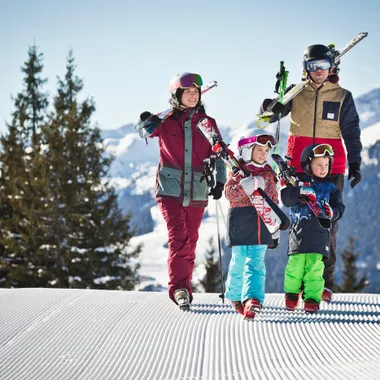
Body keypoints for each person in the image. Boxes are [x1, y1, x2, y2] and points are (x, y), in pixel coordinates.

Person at [260, 43, 362, 302]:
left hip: (331, 166)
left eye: (323, 66)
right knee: (300, 223)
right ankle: (298, 282)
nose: (318, 71)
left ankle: (323, 284)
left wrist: (356, 162)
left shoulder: (342, 96)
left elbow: (351, 131)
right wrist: (271, 103)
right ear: (305, 68)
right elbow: (268, 117)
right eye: (312, 66)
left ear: (332, 67)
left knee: (328, 224)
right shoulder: (296, 92)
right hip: (298, 167)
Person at [135, 72, 226, 310]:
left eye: (196, 92)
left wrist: (220, 182)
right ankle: (179, 289)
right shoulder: (165, 121)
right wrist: (146, 120)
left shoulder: (208, 123)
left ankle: (184, 286)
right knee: (179, 237)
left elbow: (219, 153)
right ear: (177, 95)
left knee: (191, 240)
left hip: (197, 188)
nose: (193, 96)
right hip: (170, 188)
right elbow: (144, 131)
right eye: (188, 92)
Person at [281, 144, 345, 313]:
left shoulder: (331, 188)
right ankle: (292, 294)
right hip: (298, 233)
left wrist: (332, 213)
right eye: (319, 165)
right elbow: (285, 199)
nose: (323, 169)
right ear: (309, 165)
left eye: (326, 165)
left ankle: (312, 298)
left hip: (320, 235)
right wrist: (299, 191)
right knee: (295, 265)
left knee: (315, 267)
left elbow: (340, 208)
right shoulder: (299, 183)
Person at [224, 130, 279, 320]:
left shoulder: (269, 173)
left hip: (262, 224)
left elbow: (273, 200)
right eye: (259, 149)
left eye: (266, 150)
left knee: (256, 262)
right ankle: (235, 296)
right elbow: (230, 194)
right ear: (247, 151)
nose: (264, 154)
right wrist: (246, 185)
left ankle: (253, 298)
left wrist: (276, 228)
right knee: (239, 260)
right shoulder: (236, 171)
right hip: (240, 222)